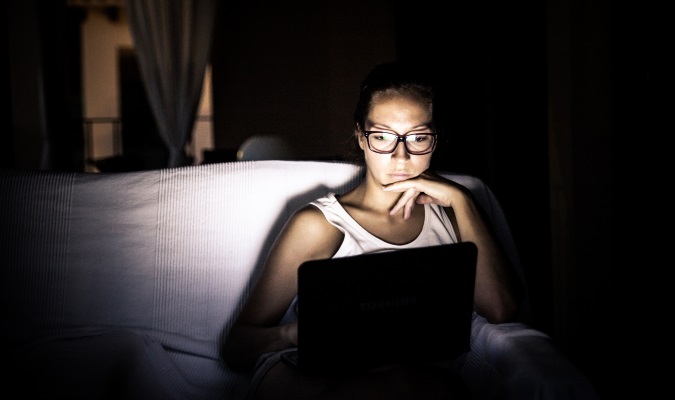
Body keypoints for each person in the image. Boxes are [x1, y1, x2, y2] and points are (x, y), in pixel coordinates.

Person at [222, 61, 523, 400]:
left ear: (435, 141)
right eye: (382, 137)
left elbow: (501, 310)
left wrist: (462, 199)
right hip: (305, 371)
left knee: (429, 388)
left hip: (407, 376)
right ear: (361, 138)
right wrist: (294, 334)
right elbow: (236, 347)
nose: (400, 156)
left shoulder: (454, 216)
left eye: (418, 138)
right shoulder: (321, 225)